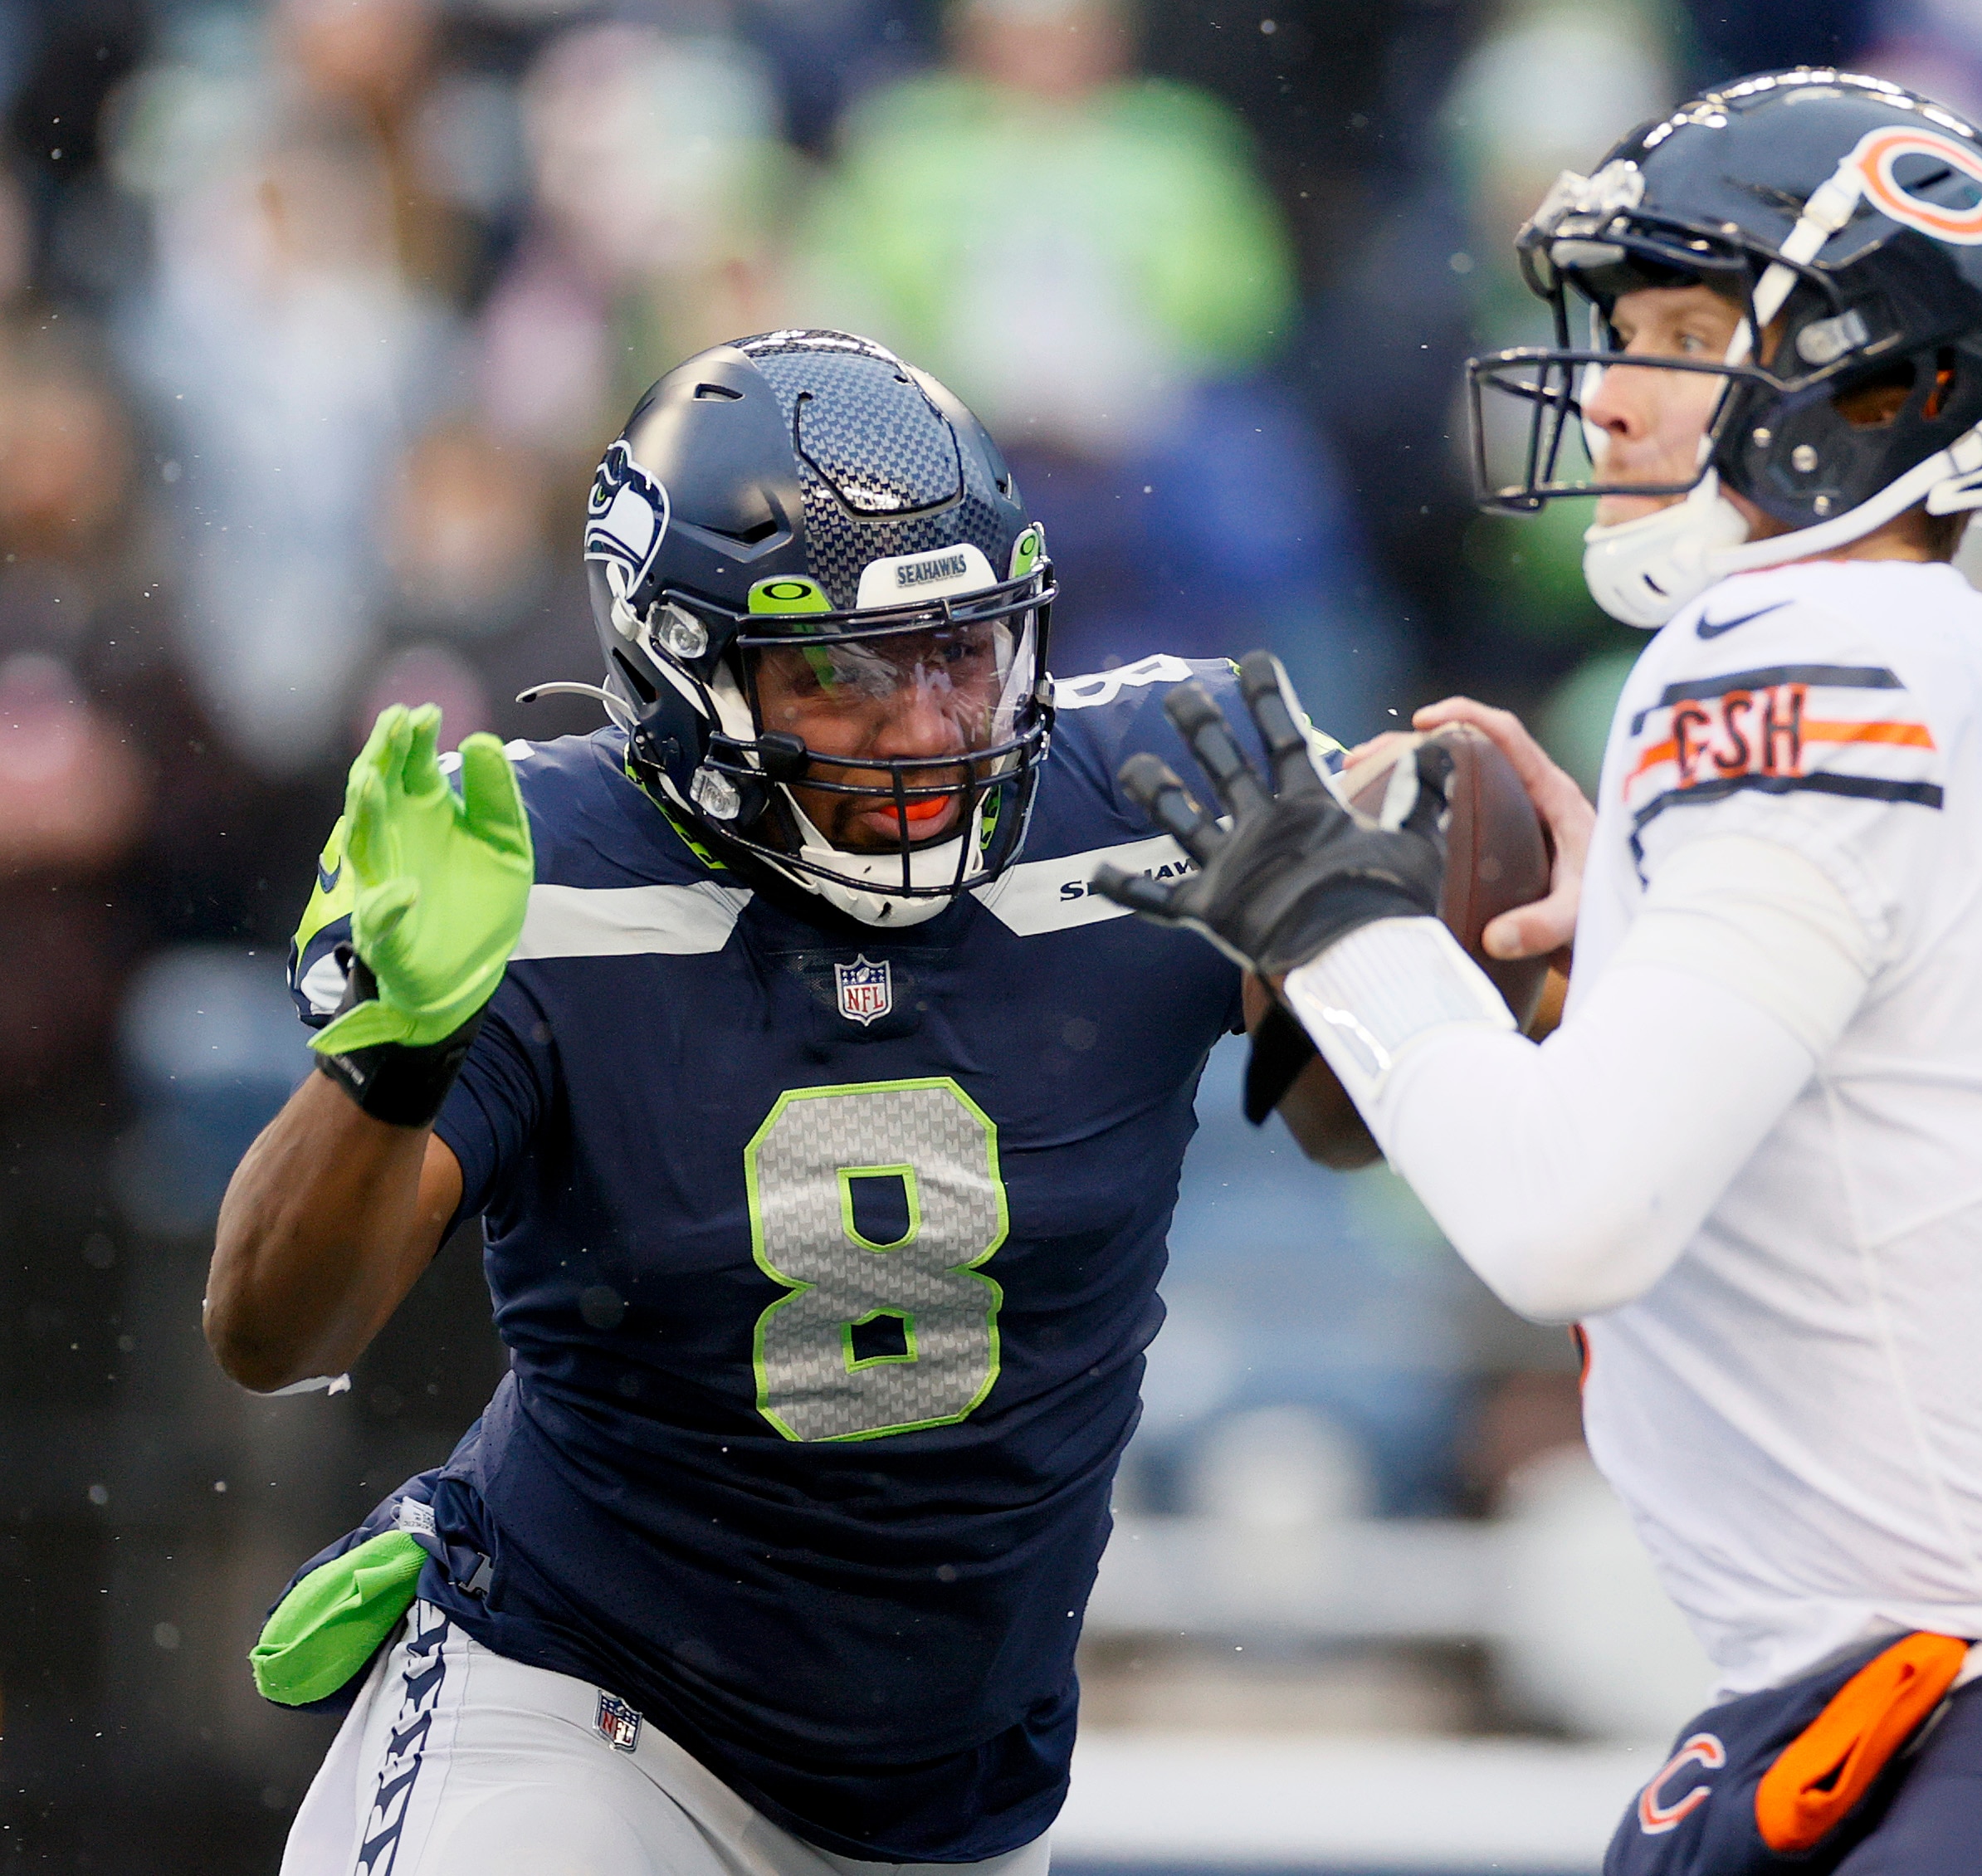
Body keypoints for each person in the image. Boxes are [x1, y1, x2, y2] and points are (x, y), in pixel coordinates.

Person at [1094, 71, 1982, 1876]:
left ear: (1883, 383)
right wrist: (1627, 934)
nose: (1610, 387)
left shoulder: (1791, 645)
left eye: (1679, 332)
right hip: (1890, 1692)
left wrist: (1329, 919)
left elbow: (1571, 1221)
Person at [207, 327, 1437, 1874]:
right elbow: (275, 1335)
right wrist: (383, 1064)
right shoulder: (534, 869)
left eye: (960, 649)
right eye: (843, 670)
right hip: (587, 1715)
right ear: (678, 669)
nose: (926, 726)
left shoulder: (1164, 779)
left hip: (958, 1804)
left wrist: (1392, 937)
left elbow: (1345, 1122)